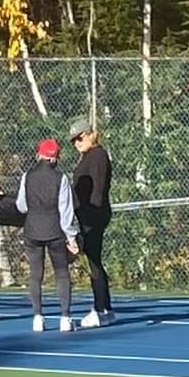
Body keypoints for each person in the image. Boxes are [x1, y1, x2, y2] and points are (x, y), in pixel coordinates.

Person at [15, 136, 80, 332]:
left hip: (32, 230)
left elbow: (21, 206)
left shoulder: (27, 176)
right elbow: (65, 210)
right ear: (56, 157)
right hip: (55, 231)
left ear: (39, 155)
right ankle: (65, 318)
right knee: (61, 273)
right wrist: (71, 237)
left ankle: (37, 317)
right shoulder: (61, 178)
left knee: (35, 274)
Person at [69, 121, 116, 327]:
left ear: (90, 135)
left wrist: (91, 215)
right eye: (74, 141)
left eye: (80, 138)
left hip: (93, 215)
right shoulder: (88, 157)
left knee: (93, 261)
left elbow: (97, 187)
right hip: (87, 214)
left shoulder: (97, 156)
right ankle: (105, 307)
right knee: (94, 260)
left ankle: (99, 309)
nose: (77, 143)